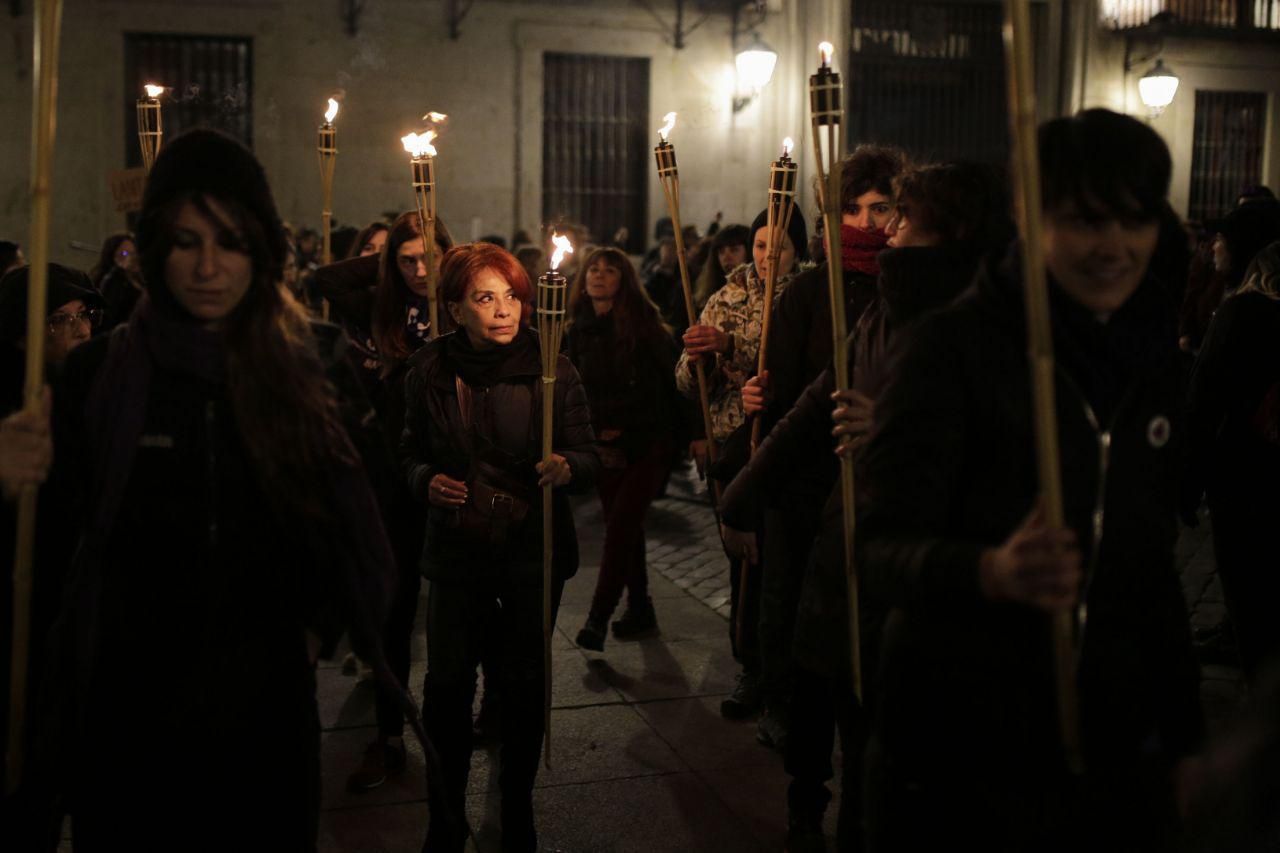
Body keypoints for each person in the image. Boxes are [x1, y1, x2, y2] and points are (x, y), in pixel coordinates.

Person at [42, 129, 399, 848]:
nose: (208, 266)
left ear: (260, 248)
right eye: (184, 240)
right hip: (131, 707)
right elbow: (56, 545)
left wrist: (315, 625)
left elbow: (361, 509)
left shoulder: (312, 367)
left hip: (262, 709)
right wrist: (15, 478)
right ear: (153, 249)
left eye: (230, 241)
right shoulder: (96, 376)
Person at [858, 109, 1202, 850]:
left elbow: (1150, 561)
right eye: (1085, 220)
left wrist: (1183, 735)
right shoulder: (947, 349)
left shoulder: (1155, 362)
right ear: (1029, 215)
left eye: (1136, 221)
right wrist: (987, 569)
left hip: (1112, 754)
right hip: (961, 758)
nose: (1114, 247)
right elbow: (878, 548)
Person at [719, 160, 1012, 851]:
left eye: (901, 217)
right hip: (840, 536)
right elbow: (815, 397)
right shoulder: (886, 303)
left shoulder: (976, 318)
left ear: (952, 231)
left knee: (885, 738)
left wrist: (889, 430)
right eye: (881, 213)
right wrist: (741, 490)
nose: (888, 229)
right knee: (825, 691)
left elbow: (993, 440)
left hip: (915, 556)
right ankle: (807, 804)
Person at [399, 242, 598, 852]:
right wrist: (423, 479)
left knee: (522, 682)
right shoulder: (429, 369)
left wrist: (568, 466)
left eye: (512, 296)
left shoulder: (553, 364)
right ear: (456, 309)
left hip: (527, 552)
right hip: (458, 552)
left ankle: (518, 812)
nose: (504, 310)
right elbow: (405, 451)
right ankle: (446, 818)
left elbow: (588, 452)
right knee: (448, 687)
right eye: (485, 298)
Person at [736, 144, 905, 750]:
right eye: (852, 209)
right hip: (805, 475)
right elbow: (781, 394)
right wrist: (759, 401)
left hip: (880, 476)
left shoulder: (906, 291)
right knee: (784, 593)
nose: (865, 222)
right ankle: (784, 702)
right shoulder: (806, 295)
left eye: (880, 208)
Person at [314, 212, 456, 792]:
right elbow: (324, 280)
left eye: (431, 257)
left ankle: (469, 715)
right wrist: (384, 257)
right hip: (397, 474)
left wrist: (452, 259)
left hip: (454, 473)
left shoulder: (460, 300)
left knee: (460, 609)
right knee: (396, 607)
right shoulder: (383, 309)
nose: (421, 271)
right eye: (408, 261)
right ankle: (391, 733)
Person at [674, 206, 808, 722]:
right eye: (759, 246)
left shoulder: (807, 295)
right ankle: (750, 665)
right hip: (734, 443)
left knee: (783, 564)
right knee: (742, 560)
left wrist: (735, 346)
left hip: (787, 445)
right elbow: (685, 381)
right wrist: (698, 361)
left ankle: (787, 675)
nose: (767, 256)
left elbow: (790, 367)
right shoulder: (725, 296)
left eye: (781, 248)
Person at [566, 247, 684, 651]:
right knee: (626, 526)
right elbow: (571, 389)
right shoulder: (575, 331)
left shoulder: (645, 329)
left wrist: (619, 427)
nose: (598, 276)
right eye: (593, 270)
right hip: (602, 445)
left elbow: (663, 392)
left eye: (609, 270)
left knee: (618, 527)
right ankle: (640, 608)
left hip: (645, 441)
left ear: (624, 279)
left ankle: (598, 616)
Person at [1184, 240, 1280, 682]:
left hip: (1246, 473)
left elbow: (1203, 401)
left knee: (1248, 587)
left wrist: (1187, 483)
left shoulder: (1243, 314)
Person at [691, 223, 750, 315]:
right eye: (721, 252)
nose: (726, 257)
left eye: (734, 250)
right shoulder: (712, 295)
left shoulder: (757, 293)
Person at [93, 232, 145, 331]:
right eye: (125, 253)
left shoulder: (143, 281)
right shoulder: (110, 282)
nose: (133, 258)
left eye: (135, 252)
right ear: (113, 256)